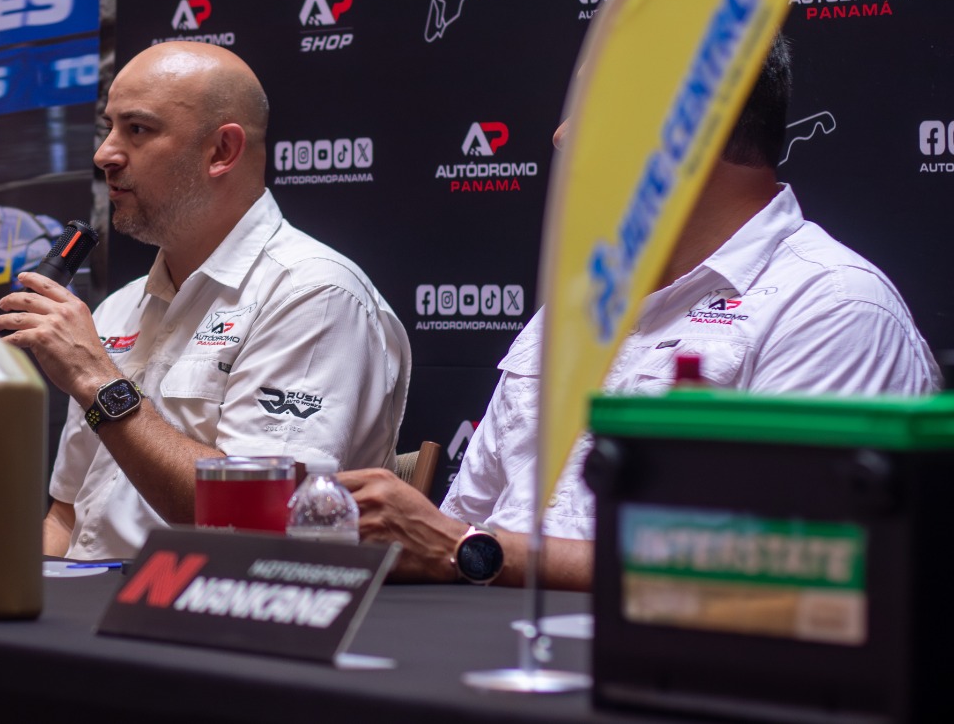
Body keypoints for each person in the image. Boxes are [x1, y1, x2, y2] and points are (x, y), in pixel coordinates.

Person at [339, 35, 940, 589]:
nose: (563, 134)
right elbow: (462, 522)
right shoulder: (576, 305)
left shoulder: (832, 307)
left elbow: (792, 573)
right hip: (485, 658)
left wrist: (476, 553)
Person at [0, 41, 411, 560]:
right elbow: (66, 516)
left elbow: (258, 525)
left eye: (138, 129)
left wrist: (99, 383)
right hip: (88, 615)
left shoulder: (314, 294)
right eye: (109, 126)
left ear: (222, 152)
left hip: (215, 618)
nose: (104, 153)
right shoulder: (119, 307)